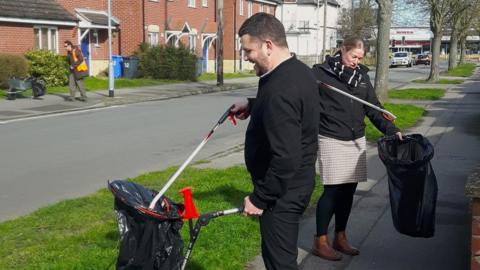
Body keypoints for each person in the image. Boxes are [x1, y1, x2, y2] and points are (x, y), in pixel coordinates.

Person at [230, 13, 319, 270]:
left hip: (283, 192)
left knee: (280, 263)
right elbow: (294, 113)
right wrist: (254, 105)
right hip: (295, 184)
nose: (245, 57)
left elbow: (286, 158)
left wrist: (260, 198)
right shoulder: (296, 71)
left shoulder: (282, 89)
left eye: (248, 50)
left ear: (268, 45)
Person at [310, 37, 402, 261]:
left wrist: (391, 129)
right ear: (343, 50)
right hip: (331, 138)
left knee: (348, 191)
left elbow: (373, 109)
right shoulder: (320, 74)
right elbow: (297, 97)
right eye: (353, 56)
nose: (356, 62)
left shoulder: (361, 76)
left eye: (360, 58)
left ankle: (340, 237)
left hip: (355, 140)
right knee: (332, 190)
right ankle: (320, 240)